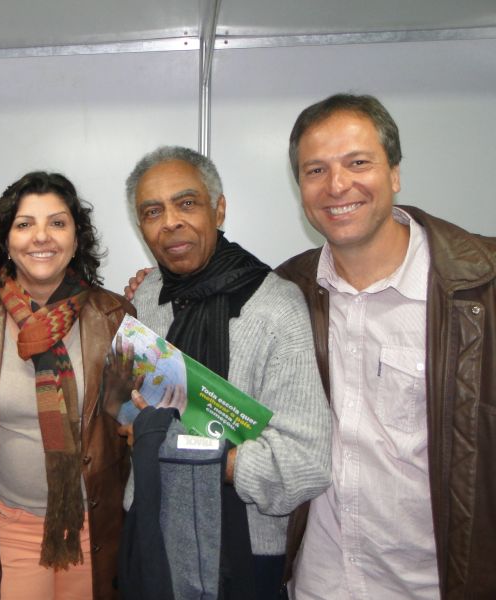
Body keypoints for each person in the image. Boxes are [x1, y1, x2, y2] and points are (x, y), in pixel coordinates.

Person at [277, 93, 496, 599]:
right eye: (315, 170)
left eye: (358, 163)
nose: (337, 185)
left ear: (394, 173)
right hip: (321, 584)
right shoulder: (288, 293)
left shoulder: (480, 290)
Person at [121, 146, 332, 599]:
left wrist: (195, 453)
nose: (170, 222)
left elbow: (305, 464)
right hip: (149, 528)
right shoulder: (143, 299)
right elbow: (127, 411)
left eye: (187, 203)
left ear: (218, 209)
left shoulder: (276, 307)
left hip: (244, 549)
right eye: (153, 211)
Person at [0, 171, 135, 600]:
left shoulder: (116, 317)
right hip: (8, 527)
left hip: (93, 527)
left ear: (76, 237)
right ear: (6, 240)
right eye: (24, 224)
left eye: (57, 222)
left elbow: (136, 418)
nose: (41, 237)